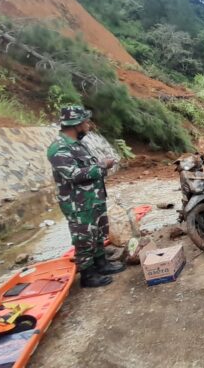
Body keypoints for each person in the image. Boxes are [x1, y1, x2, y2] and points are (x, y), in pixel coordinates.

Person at [47, 105, 123, 288]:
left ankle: (101, 263)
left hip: (93, 199)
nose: (89, 125)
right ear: (76, 125)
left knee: (97, 233)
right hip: (77, 203)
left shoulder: (78, 145)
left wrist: (101, 164)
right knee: (83, 238)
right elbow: (73, 174)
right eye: (86, 122)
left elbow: (87, 167)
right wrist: (102, 166)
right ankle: (88, 275)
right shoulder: (59, 149)